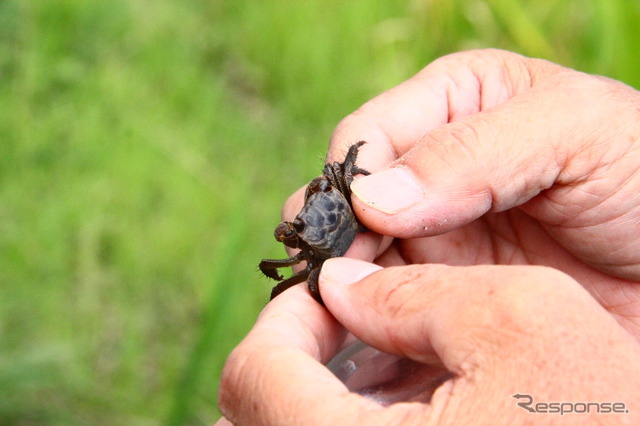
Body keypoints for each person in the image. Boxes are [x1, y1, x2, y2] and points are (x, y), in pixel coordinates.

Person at [216, 49, 640, 425]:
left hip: (357, 237)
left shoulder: (344, 197)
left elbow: (336, 187)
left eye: (326, 189)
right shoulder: (321, 231)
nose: (323, 189)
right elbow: (300, 243)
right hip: (340, 252)